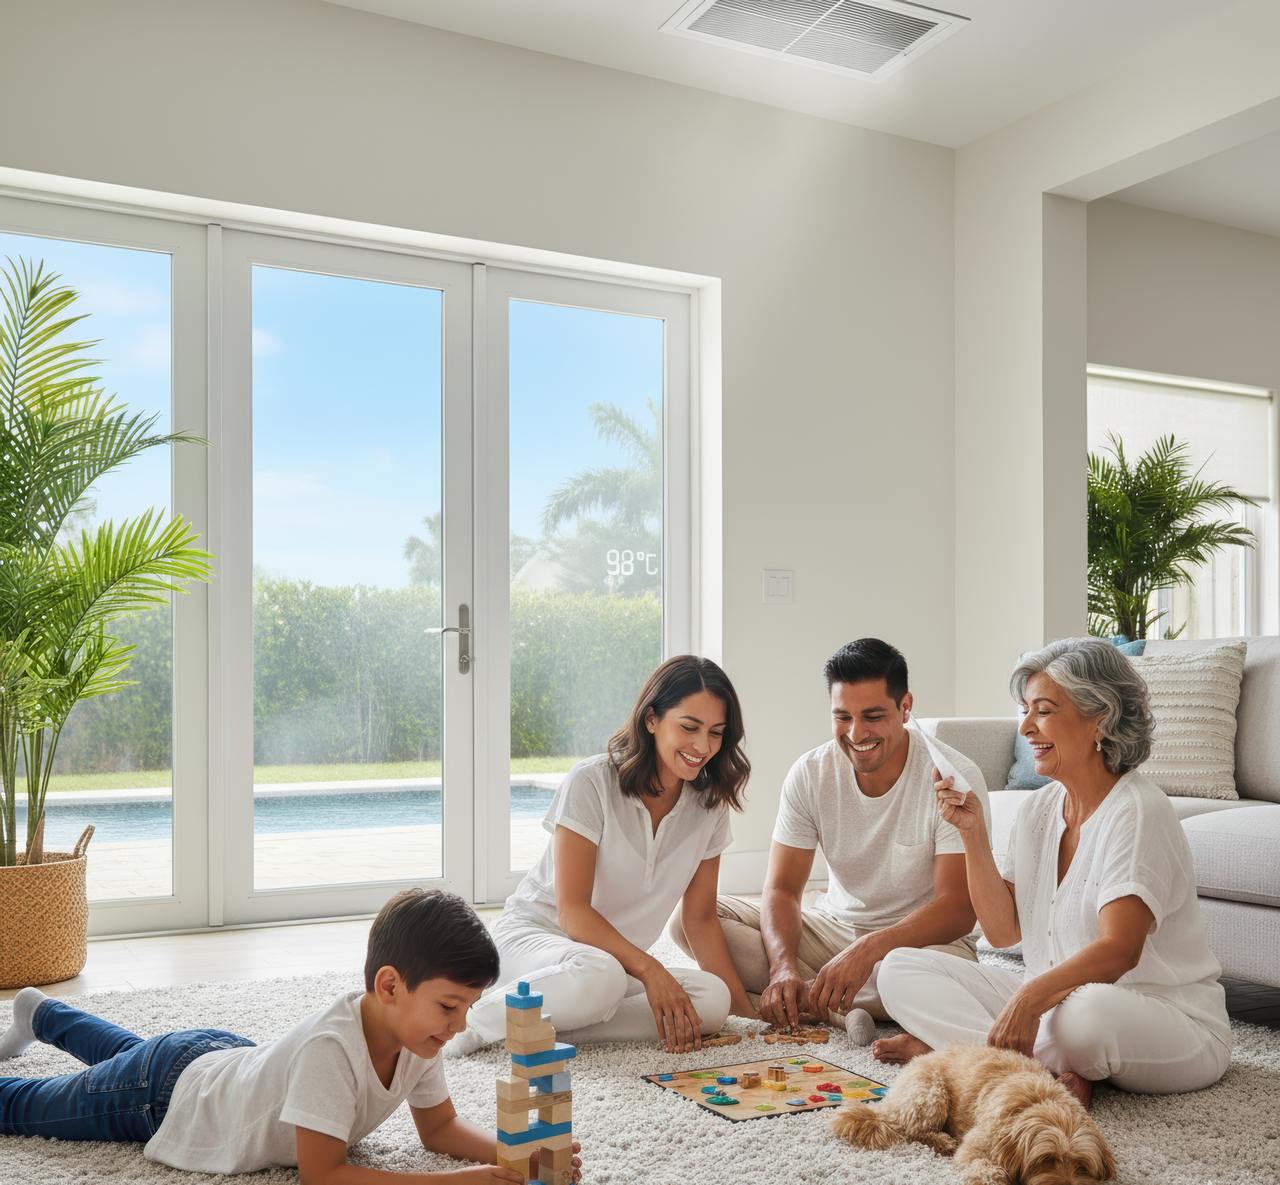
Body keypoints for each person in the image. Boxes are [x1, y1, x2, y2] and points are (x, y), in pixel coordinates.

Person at [0, 889, 582, 1183]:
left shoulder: (416, 1037)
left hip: (215, 1059)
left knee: (131, 1055)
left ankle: (43, 1014)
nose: (459, 1026)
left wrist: (516, 1157)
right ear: (389, 985)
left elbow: (439, 1129)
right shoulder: (332, 1050)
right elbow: (322, 1175)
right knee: (31, 1107)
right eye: (450, 1006)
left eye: (469, 1007)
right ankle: (41, 1019)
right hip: (163, 1098)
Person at [875, 637, 1232, 1108]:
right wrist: (973, 833)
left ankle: (962, 1057)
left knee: (1083, 1018)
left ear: (1098, 717)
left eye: (1042, 710)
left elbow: (1120, 951)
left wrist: (1027, 1002)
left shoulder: (1138, 810)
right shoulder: (1040, 809)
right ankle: (1029, 1072)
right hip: (1055, 1006)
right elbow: (1002, 933)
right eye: (1025, 710)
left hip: (1163, 1017)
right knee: (899, 967)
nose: (1025, 727)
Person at [670, 638, 989, 1044]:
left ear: (905, 706)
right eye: (843, 717)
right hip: (833, 933)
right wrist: (783, 965)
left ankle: (813, 997)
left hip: (923, 948)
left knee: (913, 978)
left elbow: (958, 911)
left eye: (873, 716)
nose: (857, 733)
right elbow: (783, 889)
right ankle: (823, 997)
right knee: (688, 920)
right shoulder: (811, 772)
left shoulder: (953, 777)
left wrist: (869, 950)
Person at [450, 655, 754, 1057]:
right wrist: (650, 969)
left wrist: (749, 1017)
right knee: (602, 977)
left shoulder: (709, 807)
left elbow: (699, 920)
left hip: (612, 965)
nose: (703, 746)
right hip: (537, 941)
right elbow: (572, 911)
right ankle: (472, 1023)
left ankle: (545, 1029)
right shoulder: (592, 782)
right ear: (651, 719)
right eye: (689, 727)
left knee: (711, 1000)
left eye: (716, 733)